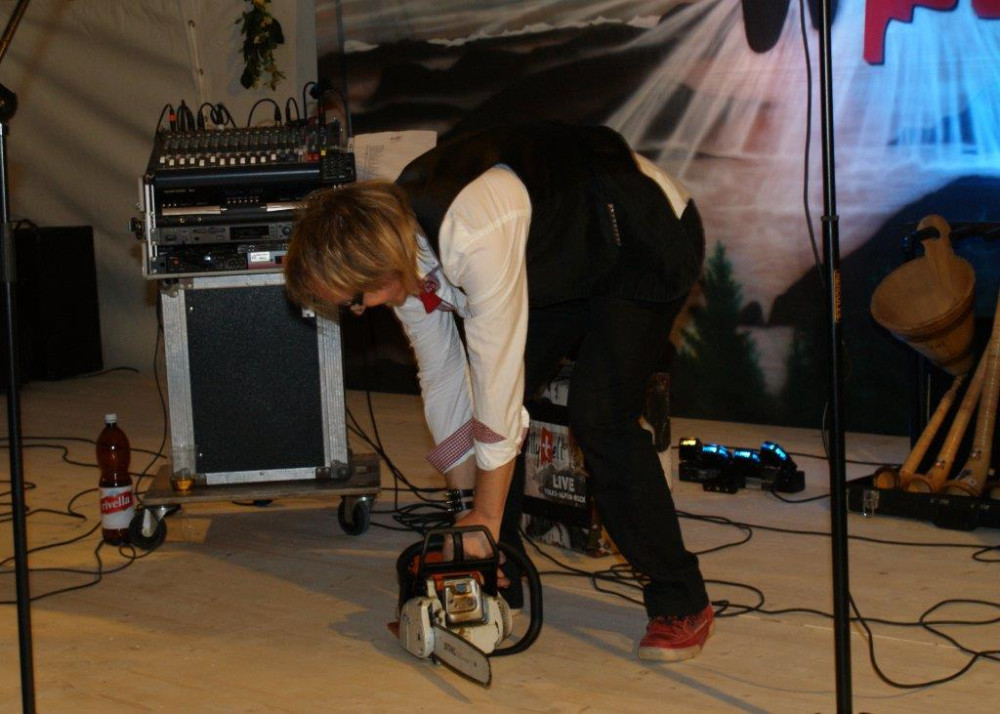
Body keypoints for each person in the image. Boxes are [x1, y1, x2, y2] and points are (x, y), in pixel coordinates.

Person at [284, 122, 713, 662]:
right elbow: (443, 377)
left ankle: (681, 600)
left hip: (640, 233)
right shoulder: (399, 251)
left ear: (375, 264)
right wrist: (466, 510)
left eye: (354, 299)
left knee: (599, 415)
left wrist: (483, 518)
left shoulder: (470, 229)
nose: (358, 311)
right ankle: (492, 578)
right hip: (564, 253)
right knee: (487, 423)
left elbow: (497, 385)